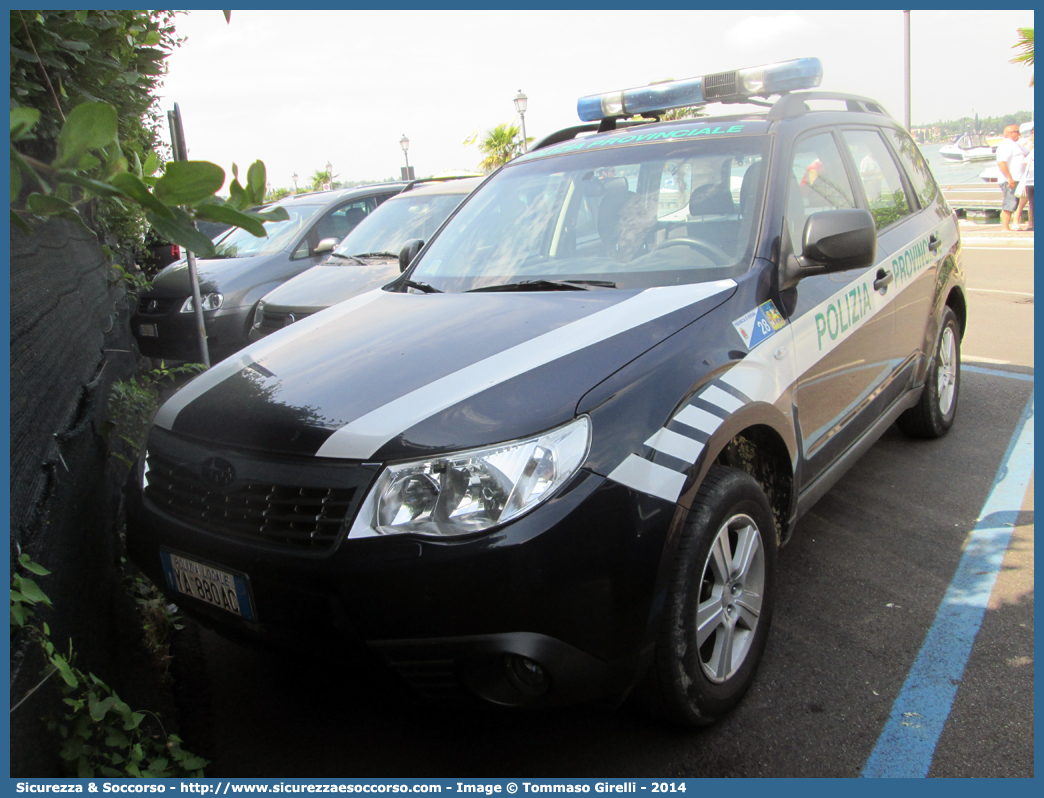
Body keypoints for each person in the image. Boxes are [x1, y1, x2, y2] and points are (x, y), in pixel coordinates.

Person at [995, 124, 1026, 231]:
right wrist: (1009, 178)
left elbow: (1028, 152)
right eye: (1018, 132)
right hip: (1010, 179)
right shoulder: (1006, 145)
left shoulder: (1015, 145)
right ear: (1012, 133)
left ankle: (1008, 225)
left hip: (1018, 178)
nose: (1019, 135)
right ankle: (1005, 227)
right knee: (1009, 202)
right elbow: (1002, 162)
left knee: (1015, 202)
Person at [1012, 121, 1034, 230]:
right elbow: (1026, 160)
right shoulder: (1027, 142)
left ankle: (1030, 223)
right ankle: (1016, 222)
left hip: (1028, 177)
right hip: (1028, 177)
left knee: (1030, 203)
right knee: (1023, 202)